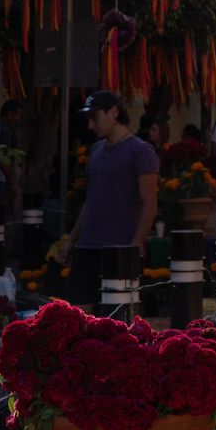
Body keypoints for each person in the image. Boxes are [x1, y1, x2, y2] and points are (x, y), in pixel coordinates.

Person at [63, 91, 160, 309]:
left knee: (118, 318)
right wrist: (72, 239)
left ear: (113, 112)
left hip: (119, 246)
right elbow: (90, 199)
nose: (90, 126)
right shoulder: (97, 149)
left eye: (95, 118)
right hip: (88, 244)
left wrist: (136, 244)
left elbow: (149, 202)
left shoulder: (141, 151)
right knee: (78, 313)